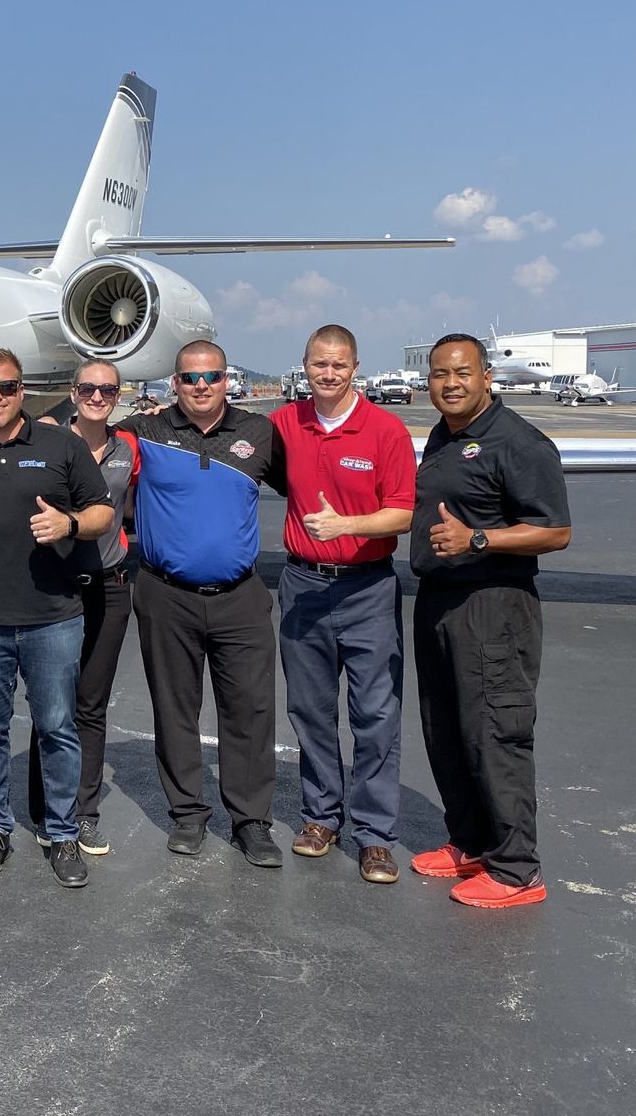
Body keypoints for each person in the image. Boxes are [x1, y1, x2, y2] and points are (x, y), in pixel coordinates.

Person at [0, 347, 114, 887]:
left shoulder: (62, 443)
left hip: (54, 617)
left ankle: (61, 833)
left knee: (57, 728)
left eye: (7, 387)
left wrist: (70, 525)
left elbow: (103, 511)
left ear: (23, 392)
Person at [409, 334, 571, 908]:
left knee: (495, 733)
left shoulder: (519, 442)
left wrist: (479, 537)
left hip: (493, 603)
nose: (450, 384)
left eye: (462, 373)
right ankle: (473, 842)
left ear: (486, 378)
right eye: (438, 375)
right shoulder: (442, 435)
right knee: (446, 728)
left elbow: (555, 531)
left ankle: (517, 868)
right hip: (439, 599)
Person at [118, 339, 288, 867]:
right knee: (175, 708)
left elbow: (303, 483)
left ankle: (251, 821)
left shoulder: (259, 433)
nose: (201, 387)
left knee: (251, 710)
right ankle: (188, 814)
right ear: (174, 384)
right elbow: (83, 435)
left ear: (227, 380)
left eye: (211, 377)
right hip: (166, 595)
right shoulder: (145, 432)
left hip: (240, 597)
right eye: (190, 378)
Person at [269, 325, 416, 884]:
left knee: (375, 714)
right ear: (304, 366)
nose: (327, 374)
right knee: (309, 709)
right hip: (303, 586)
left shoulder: (385, 431)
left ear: (354, 367)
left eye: (338, 365)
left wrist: (346, 525)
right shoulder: (286, 424)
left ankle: (375, 836)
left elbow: (403, 513)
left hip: (367, 589)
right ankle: (320, 817)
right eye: (317, 365)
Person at [24, 359, 138, 859]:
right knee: (51, 705)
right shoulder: (46, 441)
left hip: (109, 587)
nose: (97, 396)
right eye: (88, 388)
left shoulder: (128, 448)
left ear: (118, 395)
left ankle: (80, 814)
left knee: (90, 706)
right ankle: (44, 809)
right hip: (56, 586)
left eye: (107, 390)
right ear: (72, 392)